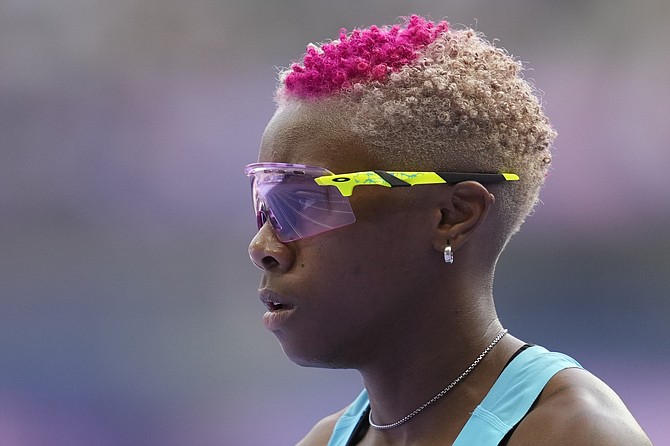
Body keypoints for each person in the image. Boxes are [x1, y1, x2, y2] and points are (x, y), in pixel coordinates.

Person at [245, 15, 652, 445]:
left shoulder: (571, 433)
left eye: (306, 201)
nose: (264, 246)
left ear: (453, 216)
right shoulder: (326, 439)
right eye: (265, 203)